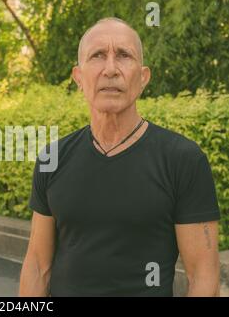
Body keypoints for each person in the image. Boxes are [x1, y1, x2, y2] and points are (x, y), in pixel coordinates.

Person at [19, 17, 221, 297]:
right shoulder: (52, 158)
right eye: (98, 55)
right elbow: (37, 265)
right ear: (79, 77)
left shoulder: (183, 160)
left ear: (143, 77)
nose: (110, 69)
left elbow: (203, 276)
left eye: (124, 56)